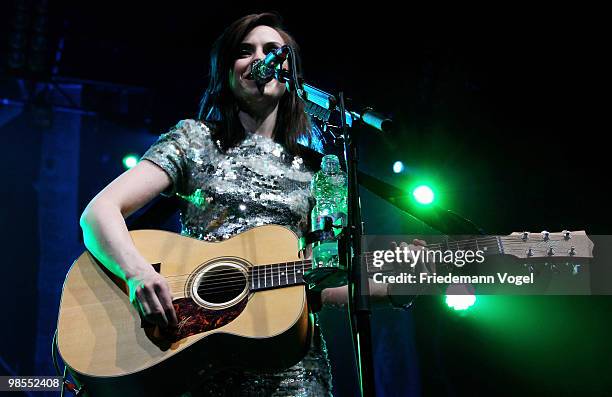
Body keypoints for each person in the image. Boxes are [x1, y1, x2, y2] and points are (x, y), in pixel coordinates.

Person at [80, 12, 415, 396]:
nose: (259, 58)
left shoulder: (321, 169)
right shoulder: (193, 140)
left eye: (273, 51)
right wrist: (137, 272)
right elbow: (100, 212)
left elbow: (323, 280)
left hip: (294, 371)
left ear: (290, 72)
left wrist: (401, 282)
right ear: (226, 70)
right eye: (245, 51)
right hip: (198, 362)